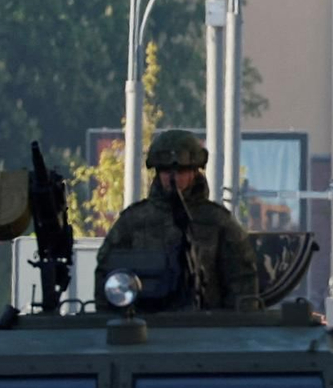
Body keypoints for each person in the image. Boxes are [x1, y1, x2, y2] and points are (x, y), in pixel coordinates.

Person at [96, 129, 259, 311]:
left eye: (182, 170)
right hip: (145, 326)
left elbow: (242, 281)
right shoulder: (133, 221)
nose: (173, 177)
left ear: (194, 172)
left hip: (206, 329)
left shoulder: (218, 222)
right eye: (166, 170)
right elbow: (108, 275)